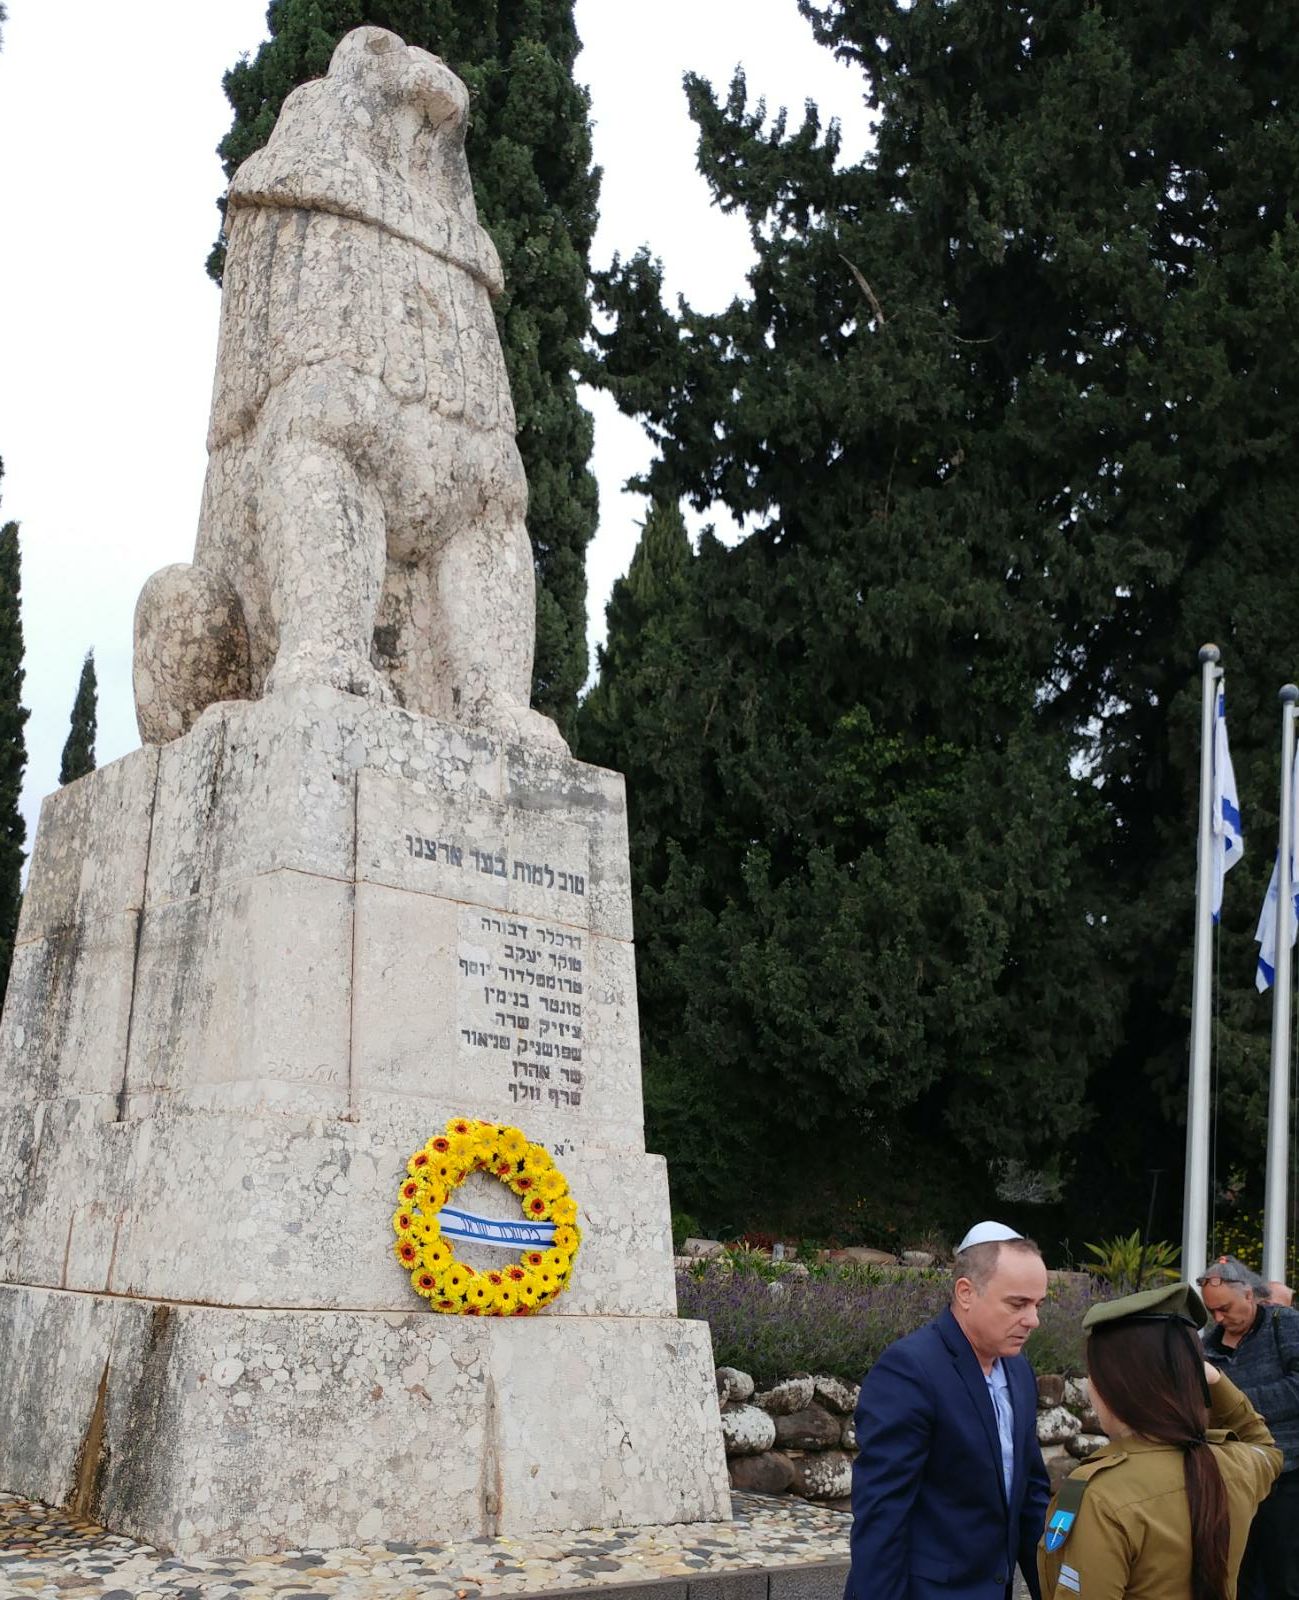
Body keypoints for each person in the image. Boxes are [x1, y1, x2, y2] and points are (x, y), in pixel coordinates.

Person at [846, 1221, 1051, 1600]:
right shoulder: (910, 1369)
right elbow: (882, 1516)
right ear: (966, 1292)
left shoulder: (1018, 1370)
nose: (1033, 1320)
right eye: (1017, 1303)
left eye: (1038, 1304)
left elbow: (1030, 1496)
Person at [1038, 1283, 1280, 1600]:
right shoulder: (1235, 1465)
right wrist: (1217, 1382)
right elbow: (1264, 1447)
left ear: (1111, 1386)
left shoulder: (1101, 1496)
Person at [1201, 1256, 1299, 1597]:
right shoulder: (1207, 1346)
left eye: (1224, 1308)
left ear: (1250, 1295)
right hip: (1231, 1479)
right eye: (1211, 1311)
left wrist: (1236, 1403)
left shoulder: (1284, 1324)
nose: (1218, 1318)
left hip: (1286, 1476)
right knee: (1233, 1578)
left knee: (1283, 1579)